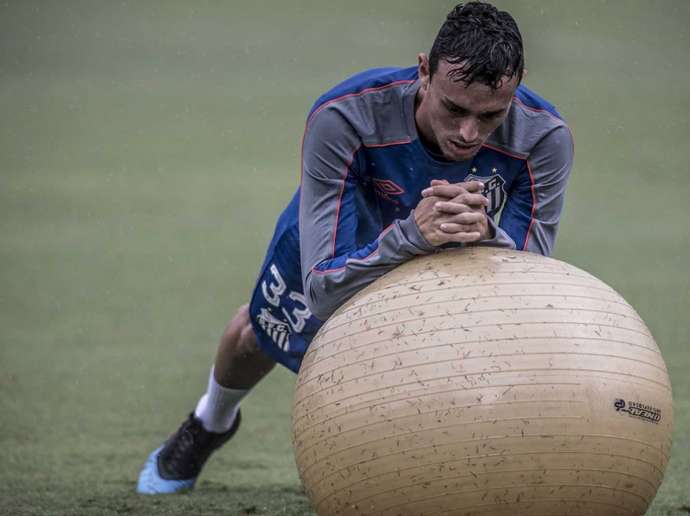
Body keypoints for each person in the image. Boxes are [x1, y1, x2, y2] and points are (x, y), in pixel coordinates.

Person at [137, 1, 573, 494]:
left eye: (491, 116)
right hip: (349, 229)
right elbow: (322, 289)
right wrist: (413, 232)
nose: (468, 133)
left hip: (457, 247)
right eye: (454, 109)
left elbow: (532, 281)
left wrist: (481, 233)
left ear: (515, 90)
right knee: (258, 335)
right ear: (424, 72)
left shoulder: (546, 138)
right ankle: (209, 422)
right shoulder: (345, 116)